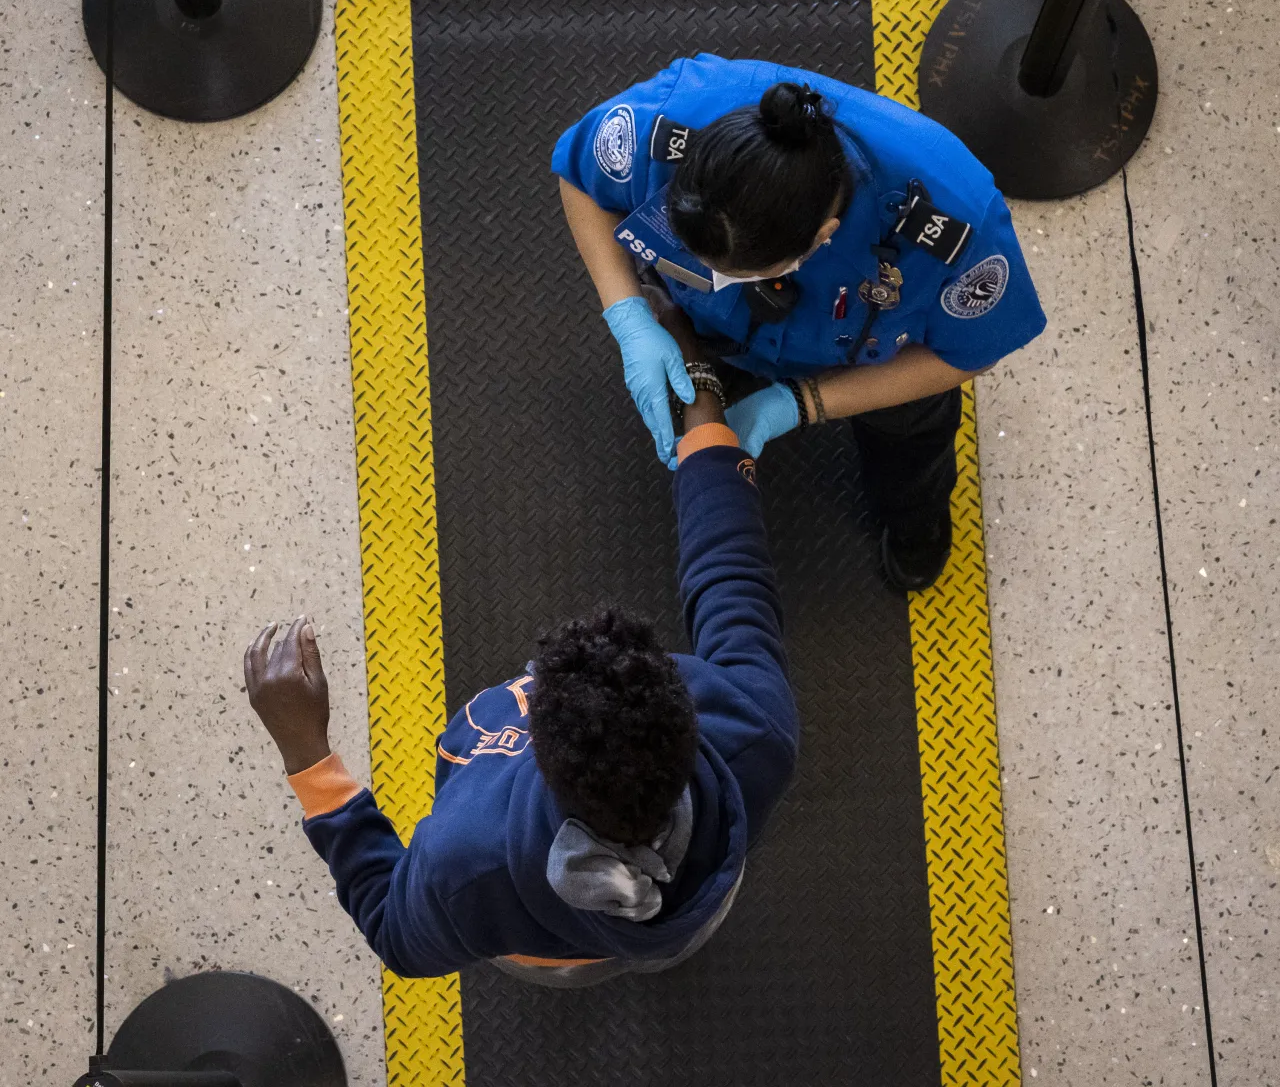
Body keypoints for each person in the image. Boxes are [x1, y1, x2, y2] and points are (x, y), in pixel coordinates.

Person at [243, 302, 797, 986]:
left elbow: (392, 928)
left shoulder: (467, 864)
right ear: (686, 719)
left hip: (546, 944)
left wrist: (306, 751)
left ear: (535, 747)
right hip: (676, 923)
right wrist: (703, 401)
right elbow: (731, 580)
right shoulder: (753, 727)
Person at [555, 55, 1046, 591]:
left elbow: (970, 353)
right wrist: (628, 314)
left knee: (909, 451)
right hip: (721, 333)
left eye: (738, 272)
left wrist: (802, 403)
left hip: (878, 359)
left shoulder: (958, 227)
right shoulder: (667, 120)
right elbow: (580, 178)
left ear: (821, 236)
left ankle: (912, 522)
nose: (715, 278)